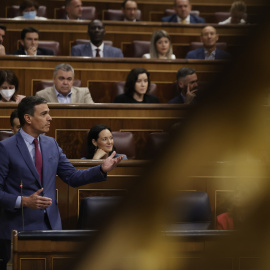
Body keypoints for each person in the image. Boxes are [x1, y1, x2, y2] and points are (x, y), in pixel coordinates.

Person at [0, 96, 123, 269]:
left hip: (51, 229)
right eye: (44, 114)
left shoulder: (51, 144)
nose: (50, 118)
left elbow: (72, 177)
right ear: (28, 118)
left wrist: (101, 169)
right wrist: (24, 201)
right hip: (18, 230)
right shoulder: (6, 148)